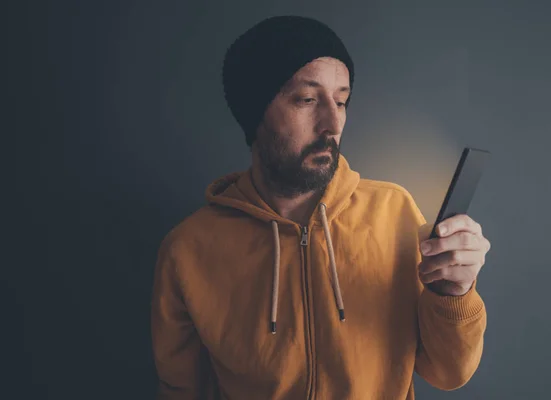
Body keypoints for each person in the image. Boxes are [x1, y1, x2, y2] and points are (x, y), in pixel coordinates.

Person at [151, 15, 491, 400]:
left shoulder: (393, 212)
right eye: (307, 99)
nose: (333, 122)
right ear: (255, 112)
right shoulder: (188, 249)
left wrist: (454, 294)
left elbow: (449, 372)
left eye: (341, 100)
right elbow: (181, 391)